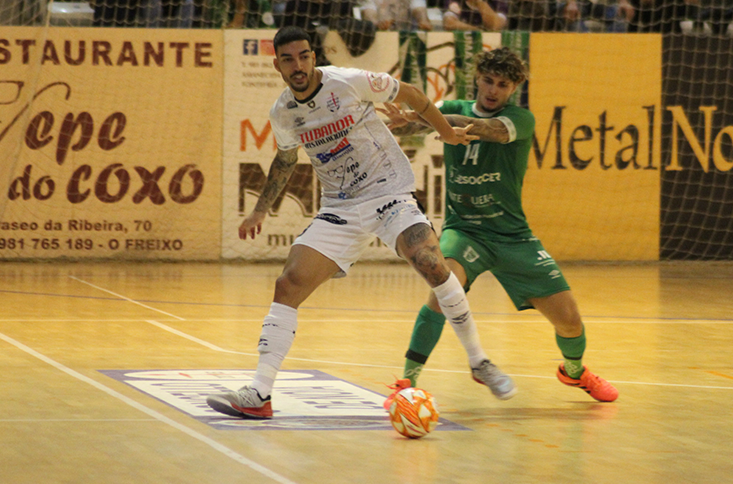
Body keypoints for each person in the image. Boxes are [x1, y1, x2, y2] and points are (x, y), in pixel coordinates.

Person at [205, 26, 514, 419]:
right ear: (277, 65)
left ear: (314, 56)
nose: (297, 65)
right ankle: (260, 393)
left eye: (303, 56)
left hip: (390, 193)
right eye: (288, 59)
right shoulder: (283, 111)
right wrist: (262, 209)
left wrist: (446, 132)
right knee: (288, 284)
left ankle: (479, 361)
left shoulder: (348, 82)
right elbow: (285, 160)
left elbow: (414, 95)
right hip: (341, 206)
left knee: (430, 262)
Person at [380, 47, 619, 405]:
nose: (493, 90)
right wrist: (409, 121)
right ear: (477, 78)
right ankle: (406, 382)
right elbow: (430, 123)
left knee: (569, 320)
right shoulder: (454, 108)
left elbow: (487, 130)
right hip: (465, 231)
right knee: (442, 288)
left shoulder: (521, 119)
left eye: (502, 84)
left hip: (513, 236)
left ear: (513, 88)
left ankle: (574, 373)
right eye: (488, 80)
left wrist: (427, 118)